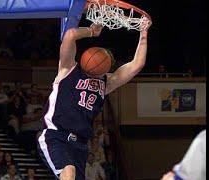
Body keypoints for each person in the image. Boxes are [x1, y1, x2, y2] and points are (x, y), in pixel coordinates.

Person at [37, 19, 151, 180]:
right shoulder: (68, 68)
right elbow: (70, 35)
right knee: (68, 173)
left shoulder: (106, 83)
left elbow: (136, 65)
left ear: (108, 65)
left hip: (81, 144)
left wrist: (144, 33)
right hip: (56, 135)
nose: (99, 59)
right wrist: (91, 31)